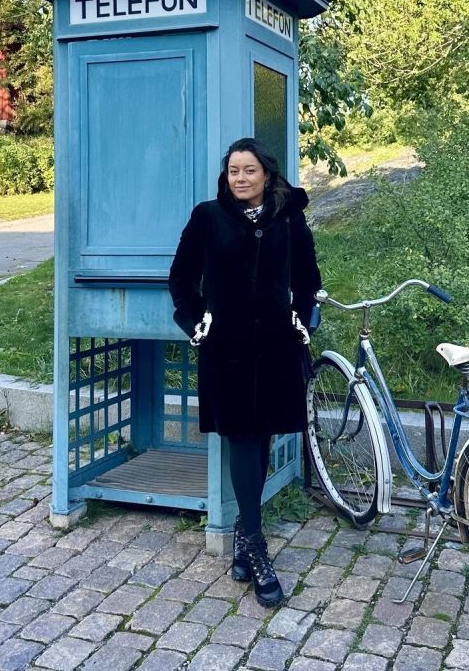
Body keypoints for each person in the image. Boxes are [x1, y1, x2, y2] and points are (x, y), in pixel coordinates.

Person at [168, 137, 321, 607]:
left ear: (266, 174)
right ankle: (256, 549)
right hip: (228, 349)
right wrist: (198, 323)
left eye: (249, 170)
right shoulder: (207, 218)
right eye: (234, 171)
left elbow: (308, 277)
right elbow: (180, 278)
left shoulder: (289, 219)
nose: (240, 178)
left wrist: (302, 316)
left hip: (275, 346)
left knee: (265, 433)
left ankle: (242, 536)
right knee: (242, 437)